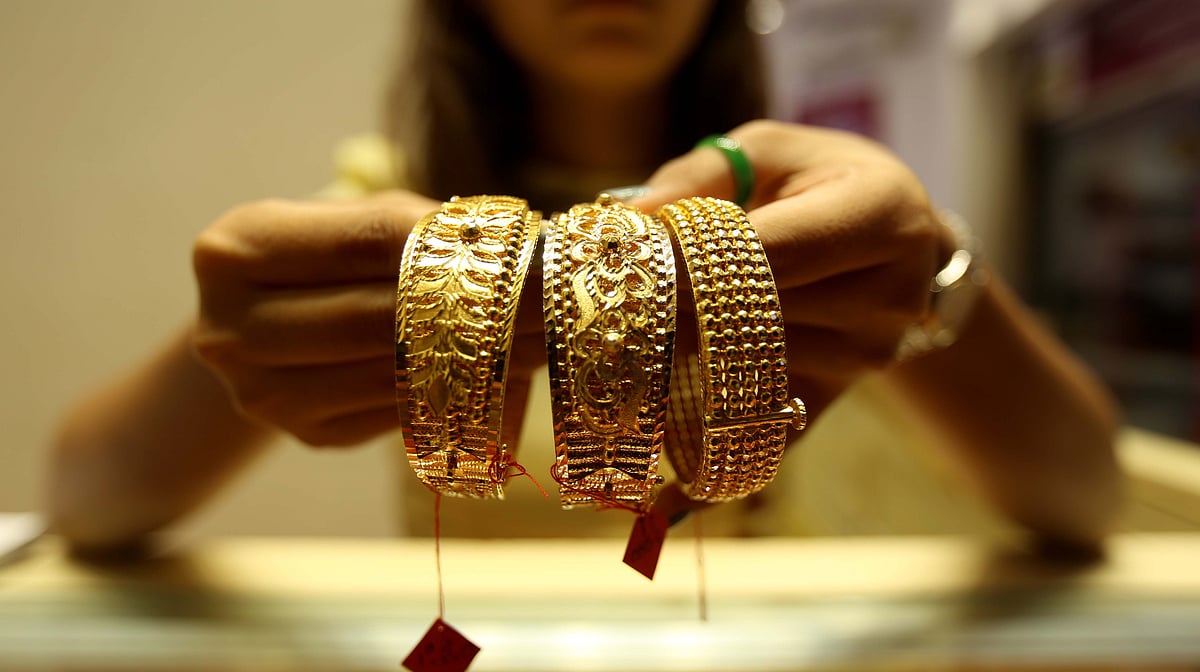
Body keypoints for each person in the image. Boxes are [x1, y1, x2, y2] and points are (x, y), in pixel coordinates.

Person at [48, 0, 1121, 554]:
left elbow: (1085, 496)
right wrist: (235, 352)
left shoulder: (809, 213)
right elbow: (85, 503)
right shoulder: (384, 210)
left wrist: (932, 270)